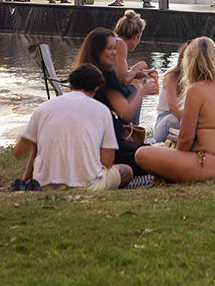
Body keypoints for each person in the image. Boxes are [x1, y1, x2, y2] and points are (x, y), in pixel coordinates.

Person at [135, 37, 215, 182]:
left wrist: (176, 160)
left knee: (142, 154)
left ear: (191, 63)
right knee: (161, 151)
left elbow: (185, 139)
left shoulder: (195, 89)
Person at [13, 63, 132, 190]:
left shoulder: (43, 108)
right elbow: (108, 161)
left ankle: (27, 181)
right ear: (96, 89)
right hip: (86, 186)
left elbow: (19, 151)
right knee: (126, 171)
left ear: (71, 84)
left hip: (43, 185)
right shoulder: (103, 111)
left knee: (39, 143)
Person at [73, 29, 158, 175]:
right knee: (154, 157)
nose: (114, 52)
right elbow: (125, 113)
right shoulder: (106, 74)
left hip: (87, 144)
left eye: (115, 48)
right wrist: (142, 91)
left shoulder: (81, 72)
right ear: (97, 50)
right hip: (108, 146)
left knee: (151, 152)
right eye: (110, 49)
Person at [113, 10, 150, 125]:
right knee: (137, 87)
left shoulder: (113, 41)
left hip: (100, 87)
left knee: (135, 81)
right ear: (136, 36)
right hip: (105, 91)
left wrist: (137, 74)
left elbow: (119, 75)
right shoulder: (120, 44)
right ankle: (132, 130)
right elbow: (124, 80)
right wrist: (137, 66)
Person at [153, 41, 190, 143]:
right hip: (165, 121)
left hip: (183, 120)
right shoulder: (171, 77)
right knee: (173, 119)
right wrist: (193, 121)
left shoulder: (196, 80)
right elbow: (173, 108)